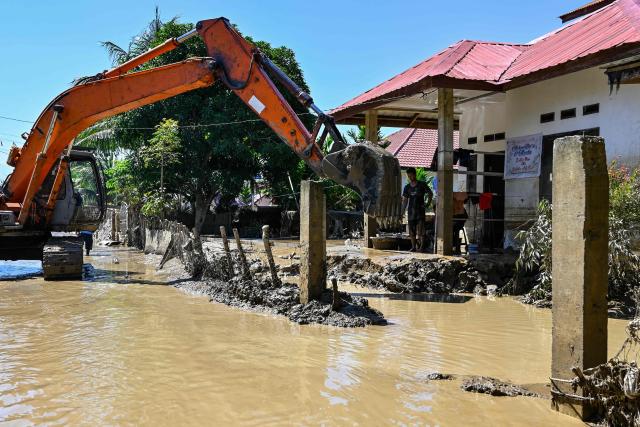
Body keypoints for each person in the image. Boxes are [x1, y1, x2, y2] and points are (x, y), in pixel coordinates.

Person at [401, 167, 433, 252]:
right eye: (408, 176)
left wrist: (428, 203)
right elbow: (405, 200)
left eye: (411, 175)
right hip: (411, 211)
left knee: (421, 231)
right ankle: (413, 247)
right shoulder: (407, 187)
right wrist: (402, 211)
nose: (410, 177)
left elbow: (430, 193)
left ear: (414, 175)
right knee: (412, 231)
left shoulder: (422, 184)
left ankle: (421, 247)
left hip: (420, 211)